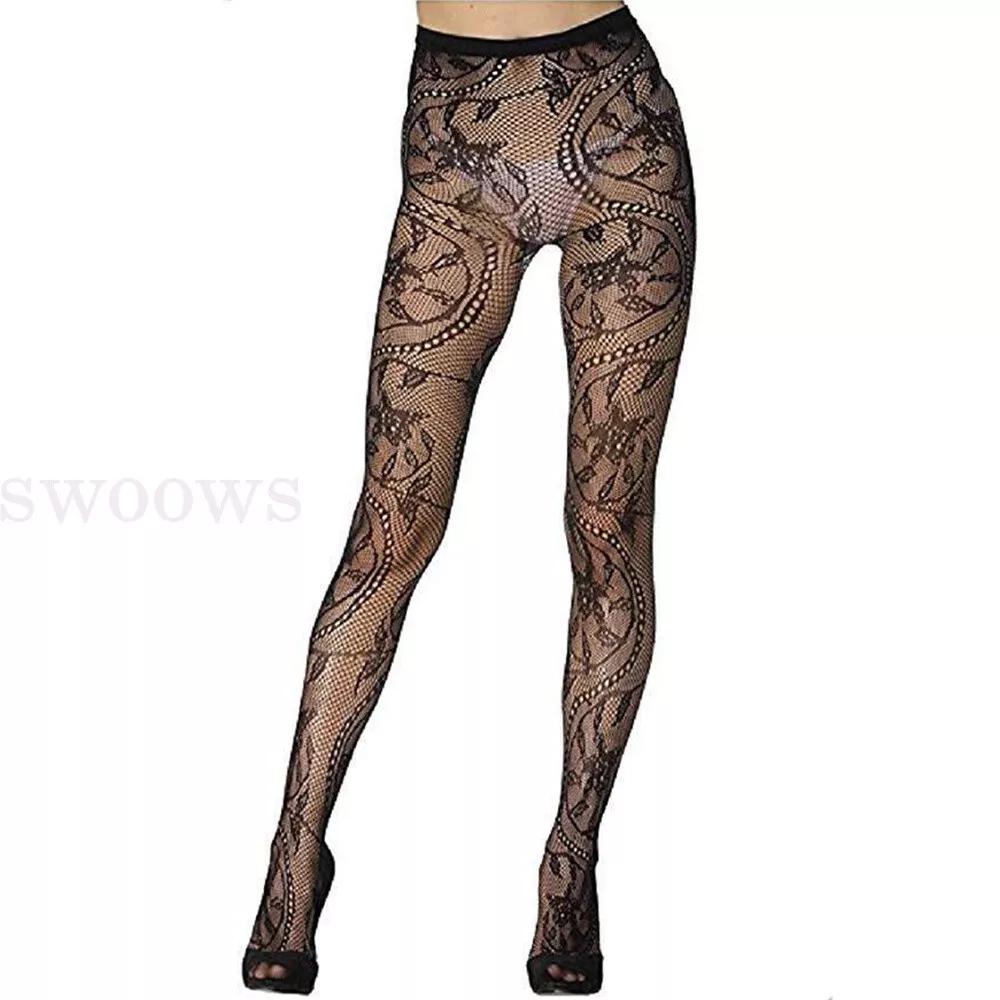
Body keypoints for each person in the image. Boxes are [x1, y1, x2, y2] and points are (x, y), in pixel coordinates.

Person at [242, 2, 695, 993]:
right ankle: (295, 849)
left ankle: (570, 861)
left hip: (621, 125)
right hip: (451, 142)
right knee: (390, 527)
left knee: (607, 525)